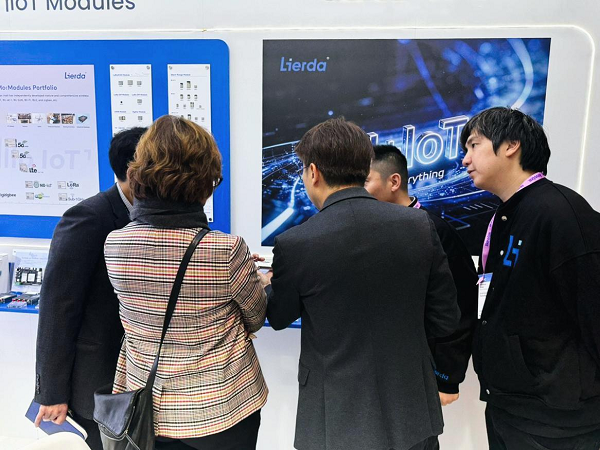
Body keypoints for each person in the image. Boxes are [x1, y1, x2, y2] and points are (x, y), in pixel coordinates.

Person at [261, 117, 461, 450]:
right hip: (411, 409)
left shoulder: (296, 244)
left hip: (335, 416)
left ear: (314, 172)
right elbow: (446, 319)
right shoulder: (419, 225)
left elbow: (279, 316)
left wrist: (268, 283)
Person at [104, 115, 268, 450]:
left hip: (145, 409)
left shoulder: (115, 243)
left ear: (139, 174)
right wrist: (257, 280)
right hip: (221, 410)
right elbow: (255, 317)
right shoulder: (226, 250)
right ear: (207, 182)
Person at [460, 107, 600, 449]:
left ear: (511, 145)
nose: (465, 159)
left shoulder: (560, 213)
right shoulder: (506, 216)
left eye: (474, 145)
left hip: (557, 422)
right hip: (510, 407)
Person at [34, 127, 146, 450]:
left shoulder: (148, 216)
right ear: (134, 171)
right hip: (97, 383)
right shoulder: (89, 217)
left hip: (137, 380)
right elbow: (57, 307)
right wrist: (52, 393)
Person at [365, 144, 478, 411]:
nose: (358, 189)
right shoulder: (367, 232)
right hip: (374, 368)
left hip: (419, 369)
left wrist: (447, 377)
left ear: (394, 182)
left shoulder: (436, 232)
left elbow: (462, 306)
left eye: (365, 181)